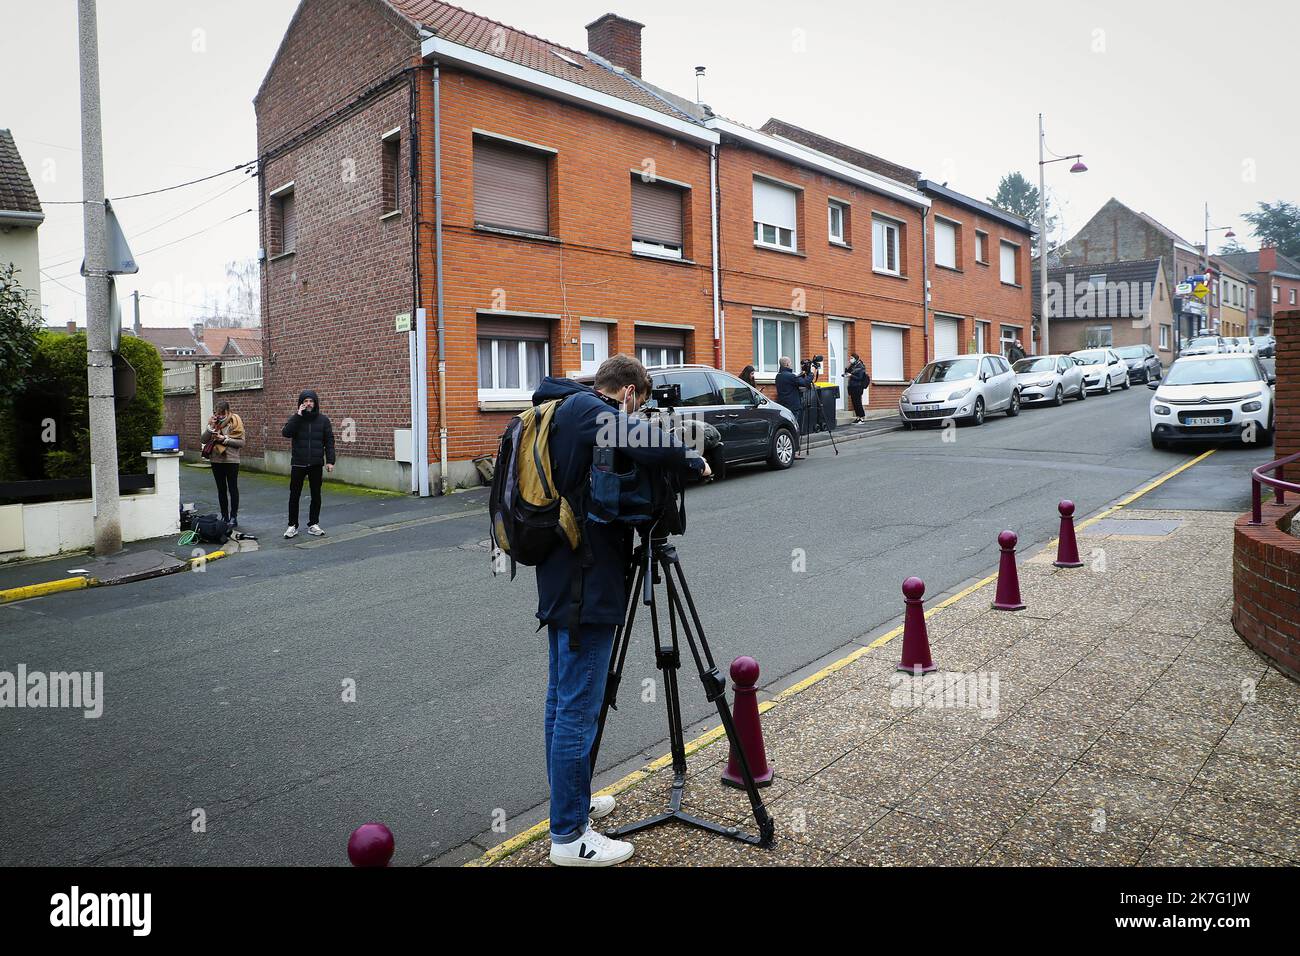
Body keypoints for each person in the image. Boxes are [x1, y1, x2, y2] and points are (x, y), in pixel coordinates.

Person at [532, 354, 709, 866]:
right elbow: (650, 443)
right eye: (640, 405)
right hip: (587, 583)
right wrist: (691, 456)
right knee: (577, 707)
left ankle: (574, 803)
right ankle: (569, 837)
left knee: (561, 700)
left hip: (564, 576)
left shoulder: (562, 408)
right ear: (628, 392)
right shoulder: (588, 410)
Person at [281, 389, 335, 538]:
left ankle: (313, 524)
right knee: (294, 495)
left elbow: (329, 442)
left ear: (315, 403)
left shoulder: (323, 420)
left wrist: (330, 461)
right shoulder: (296, 419)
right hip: (298, 463)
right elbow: (286, 433)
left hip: (316, 463)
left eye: (311, 401)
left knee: (316, 495)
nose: (308, 404)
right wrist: (298, 416)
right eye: (305, 401)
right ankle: (292, 525)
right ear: (301, 403)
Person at [201, 400, 245, 528]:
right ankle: (224, 516)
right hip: (216, 459)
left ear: (227, 412)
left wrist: (224, 439)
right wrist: (210, 429)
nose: (218, 416)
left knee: (232, 488)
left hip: (231, 460)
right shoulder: (213, 424)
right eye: (216, 413)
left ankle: (233, 517)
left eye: (221, 413)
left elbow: (241, 443)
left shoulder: (235, 422)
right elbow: (203, 440)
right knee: (221, 489)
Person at [774, 356, 813, 457]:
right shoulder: (790, 376)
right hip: (793, 405)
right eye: (790, 362)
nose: (791, 364)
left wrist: (799, 376)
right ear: (787, 364)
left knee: (787, 428)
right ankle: (794, 452)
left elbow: (794, 382)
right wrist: (811, 374)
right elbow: (805, 383)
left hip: (783, 405)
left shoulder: (779, 376)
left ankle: (790, 450)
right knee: (794, 428)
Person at [843, 352, 869, 424]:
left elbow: (860, 378)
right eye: (850, 358)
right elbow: (848, 372)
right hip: (852, 387)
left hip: (858, 387)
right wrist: (847, 371)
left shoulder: (860, 367)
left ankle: (862, 418)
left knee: (858, 403)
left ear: (856, 359)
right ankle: (858, 417)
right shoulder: (852, 366)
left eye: (851, 358)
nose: (850, 359)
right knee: (854, 403)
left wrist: (851, 375)